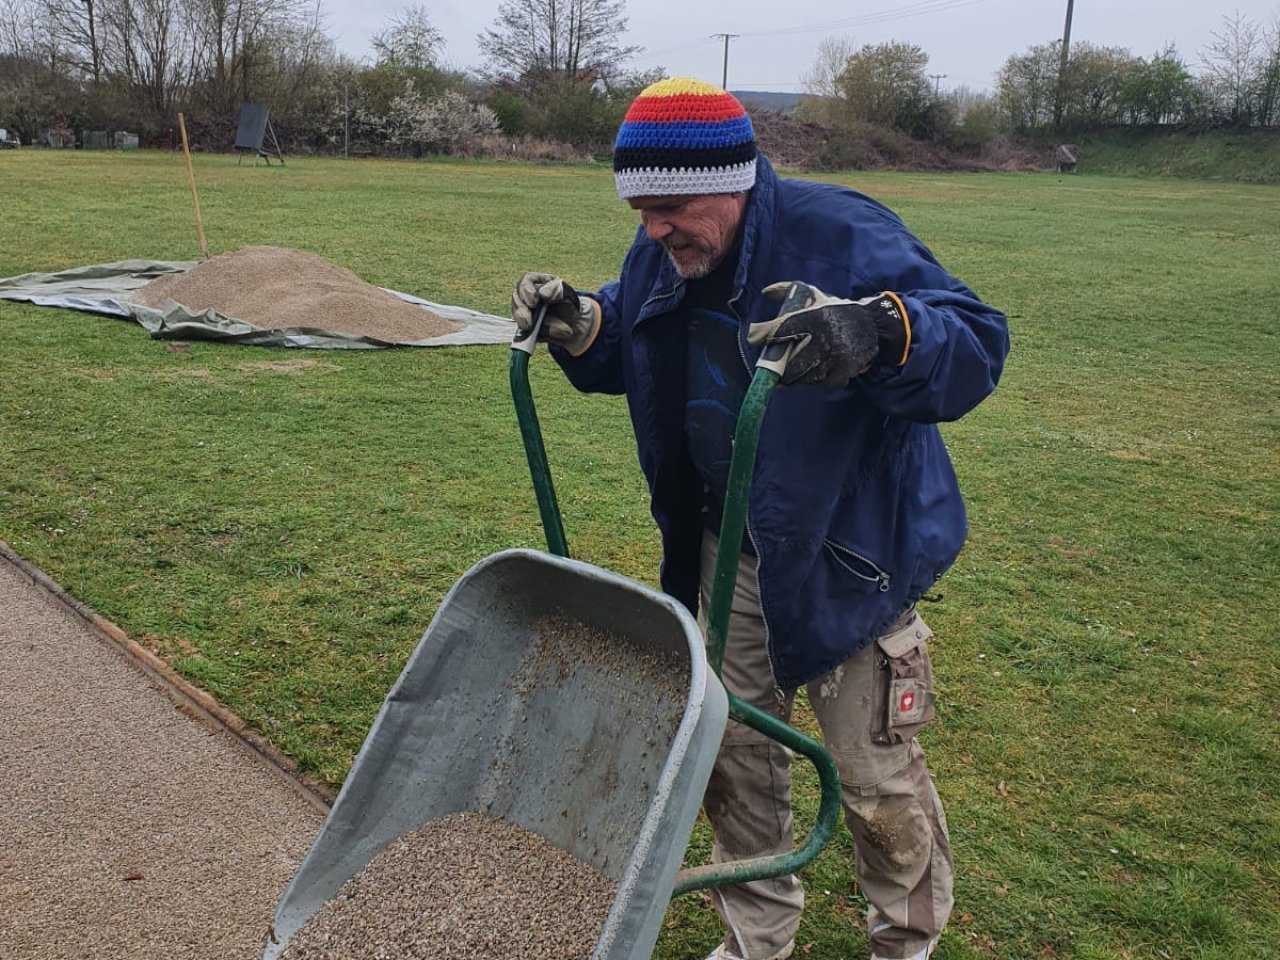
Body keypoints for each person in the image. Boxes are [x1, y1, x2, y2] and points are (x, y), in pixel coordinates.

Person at [510, 77, 1009, 960]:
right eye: (639, 210)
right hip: (726, 546)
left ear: (733, 179)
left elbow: (974, 342)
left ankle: (906, 940)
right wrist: (584, 324)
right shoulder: (663, 251)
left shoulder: (841, 232)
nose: (653, 230)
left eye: (670, 208)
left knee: (875, 777)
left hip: (847, 554)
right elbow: (635, 342)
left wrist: (876, 334)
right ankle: (756, 937)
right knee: (735, 753)